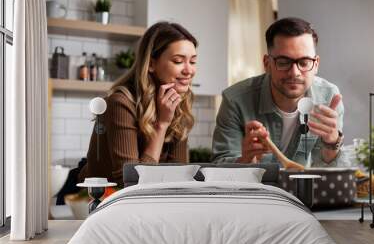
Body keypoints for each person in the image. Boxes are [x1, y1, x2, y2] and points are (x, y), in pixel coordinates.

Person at [78, 22, 198, 187]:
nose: (189, 70)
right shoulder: (120, 103)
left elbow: (179, 176)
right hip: (99, 201)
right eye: (178, 61)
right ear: (151, 64)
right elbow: (132, 183)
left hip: (144, 204)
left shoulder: (178, 103)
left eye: (192, 61)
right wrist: (161, 125)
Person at [212, 17, 344, 166]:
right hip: (256, 189)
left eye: (304, 62)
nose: (295, 73)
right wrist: (245, 160)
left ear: (316, 64)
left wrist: (332, 143)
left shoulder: (329, 97)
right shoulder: (235, 100)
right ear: (267, 64)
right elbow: (220, 166)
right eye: (283, 62)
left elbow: (327, 173)